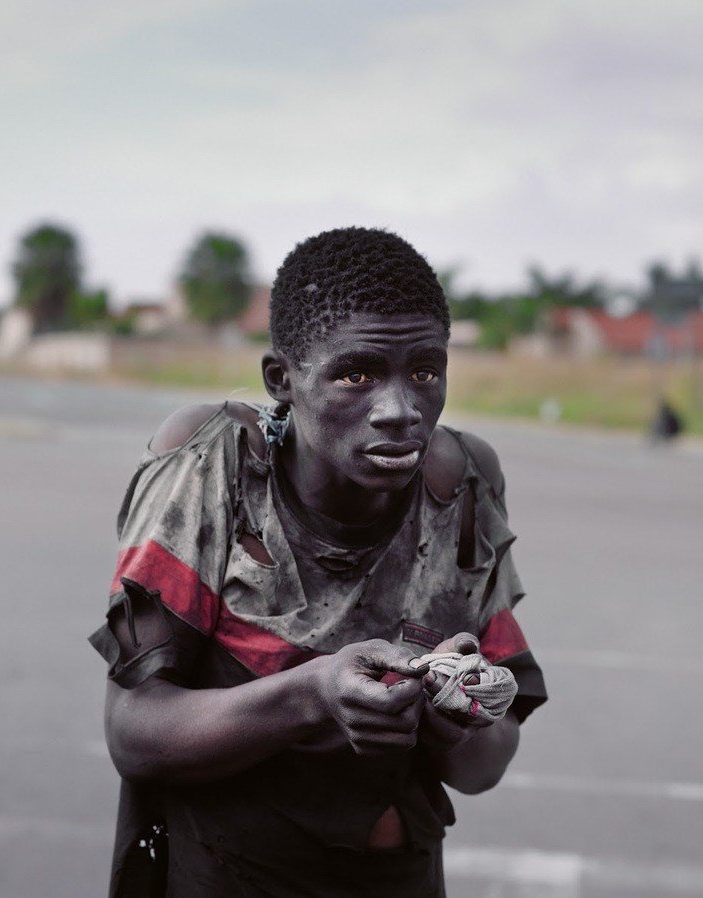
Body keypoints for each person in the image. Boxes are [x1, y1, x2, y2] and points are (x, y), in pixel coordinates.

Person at [89, 227, 547, 897]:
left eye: (425, 371)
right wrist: (311, 694)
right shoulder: (212, 465)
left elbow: (484, 766)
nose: (399, 410)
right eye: (356, 373)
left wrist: (452, 715)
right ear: (283, 379)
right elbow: (134, 731)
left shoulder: (461, 483)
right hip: (229, 874)